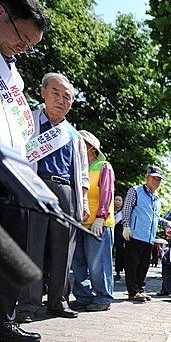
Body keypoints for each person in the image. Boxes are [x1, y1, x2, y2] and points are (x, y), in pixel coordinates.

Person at [17, 72, 90, 321]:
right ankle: (28, 305)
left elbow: (81, 173)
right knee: (31, 247)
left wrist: (84, 199)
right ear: (43, 92)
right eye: (56, 93)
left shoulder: (74, 135)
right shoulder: (27, 123)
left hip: (66, 192)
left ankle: (58, 301)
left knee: (64, 250)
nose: (61, 100)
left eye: (67, 97)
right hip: (36, 186)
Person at [0, 0, 48, 342]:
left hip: (14, 171)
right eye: (22, 38)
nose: (24, 48)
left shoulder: (12, 74)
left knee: (13, 250)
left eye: (30, 44)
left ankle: (5, 318)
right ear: (2, 14)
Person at [71, 130, 115, 311]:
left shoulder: (103, 166)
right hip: (80, 222)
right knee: (78, 262)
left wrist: (100, 217)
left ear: (89, 147)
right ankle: (83, 296)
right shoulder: (77, 167)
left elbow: (107, 193)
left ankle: (103, 297)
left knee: (99, 263)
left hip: (99, 223)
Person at [122, 165, 163, 302]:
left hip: (149, 238)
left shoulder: (157, 199)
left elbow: (155, 217)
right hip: (135, 235)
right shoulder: (136, 191)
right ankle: (132, 292)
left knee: (144, 265)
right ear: (147, 177)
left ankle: (139, 289)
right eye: (153, 178)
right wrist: (126, 226)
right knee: (132, 265)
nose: (156, 181)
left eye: (158, 179)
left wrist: (168, 224)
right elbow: (126, 209)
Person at [113, 193, 125, 281]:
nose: (117, 202)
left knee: (120, 254)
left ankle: (118, 272)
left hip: (120, 237)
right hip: (110, 235)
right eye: (116, 200)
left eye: (119, 200)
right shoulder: (108, 211)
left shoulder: (123, 214)